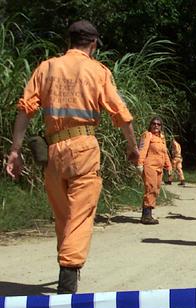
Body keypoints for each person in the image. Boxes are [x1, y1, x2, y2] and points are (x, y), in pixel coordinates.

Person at [5, 20, 139, 294]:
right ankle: (68, 271)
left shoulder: (47, 68)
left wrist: (15, 151)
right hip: (83, 147)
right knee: (81, 213)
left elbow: (25, 110)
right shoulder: (97, 71)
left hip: (52, 151)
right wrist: (132, 147)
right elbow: (121, 114)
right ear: (93, 44)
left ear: (70, 41)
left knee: (63, 215)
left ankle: (67, 266)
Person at [138, 116, 172, 224]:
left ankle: (147, 214)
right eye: (154, 123)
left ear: (161, 126)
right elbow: (142, 150)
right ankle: (146, 216)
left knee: (156, 190)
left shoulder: (162, 138)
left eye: (158, 124)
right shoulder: (147, 135)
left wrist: (169, 166)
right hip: (150, 166)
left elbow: (165, 153)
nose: (156, 125)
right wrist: (140, 164)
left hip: (159, 168)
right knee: (150, 188)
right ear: (150, 125)